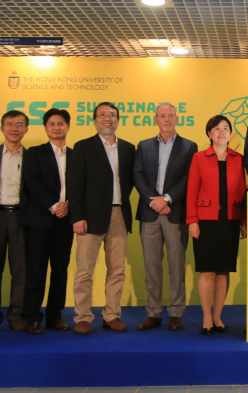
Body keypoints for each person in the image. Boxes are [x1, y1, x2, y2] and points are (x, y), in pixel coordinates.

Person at [68, 102, 136, 335]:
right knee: (84, 271)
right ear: (94, 120)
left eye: (112, 115)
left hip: (119, 214)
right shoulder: (83, 147)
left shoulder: (128, 149)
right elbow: (74, 186)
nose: (108, 119)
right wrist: (77, 216)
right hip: (89, 217)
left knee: (117, 270)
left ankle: (111, 315)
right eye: (102, 115)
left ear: (118, 119)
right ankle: (83, 317)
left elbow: (129, 182)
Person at [134, 102, 198, 331]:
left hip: (175, 212)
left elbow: (189, 178)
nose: (167, 119)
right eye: (162, 116)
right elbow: (138, 176)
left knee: (176, 266)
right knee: (152, 267)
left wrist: (167, 199)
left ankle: (175, 313)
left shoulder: (189, 147)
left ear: (177, 118)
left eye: (171, 115)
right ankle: (153, 313)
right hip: (150, 213)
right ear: (155, 120)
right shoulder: (143, 146)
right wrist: (154, 201)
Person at [187, 115, 246, 336]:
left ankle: (218, 317)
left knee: (223, 271)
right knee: (207, 270)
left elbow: (242, 191)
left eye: (225, 129)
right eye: (217, 129)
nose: (221, 132)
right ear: (209, 133)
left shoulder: (239, 158)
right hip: (205, 221)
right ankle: (205, 318)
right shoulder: (199, 157)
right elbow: (191, 190)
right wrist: (192, 220)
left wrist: (244, 221)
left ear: (230, 133)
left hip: (230, 220)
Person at [21, 109, 74, 334]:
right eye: (51, 124)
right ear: (45, 128)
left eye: (60, 123)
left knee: (60, 271)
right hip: (40, 221)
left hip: (66, 222)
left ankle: (55, 316)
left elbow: (81, 185)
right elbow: (33, 184)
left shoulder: (76, 155)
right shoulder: (34, 153)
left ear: (68, 127)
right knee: (36, 271)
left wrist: (69, 204)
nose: (56, 127)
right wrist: (55, 205)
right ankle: (32, 317)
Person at [0, 110, 29, 332]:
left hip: (21, 217)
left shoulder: (33, 158)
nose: (14, 128)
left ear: (26, 130)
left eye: (19, 124)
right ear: (2, 128)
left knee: (21, 269)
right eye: (9, 124)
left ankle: (16, 314)